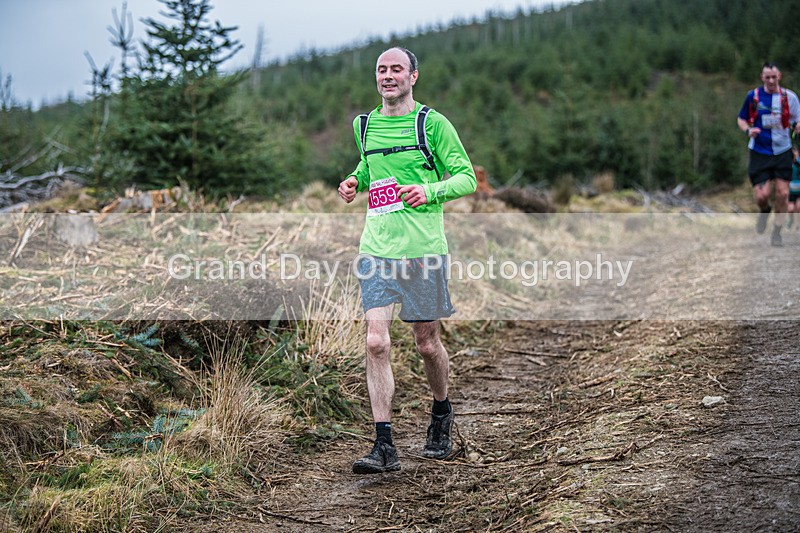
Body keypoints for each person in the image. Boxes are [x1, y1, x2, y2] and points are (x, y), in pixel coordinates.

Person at [338, 47, 476, 474]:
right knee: (376, 341)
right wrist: (354, 181)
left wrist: (430, 192)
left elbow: (466, 176)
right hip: (376, 249)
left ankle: (441, 410)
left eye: (396, 69)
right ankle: (384, 446)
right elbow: (370, 165)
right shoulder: (365, 125)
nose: (387, 75)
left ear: (414, 76)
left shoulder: (431, 124)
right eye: (381, 69)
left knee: (426, 343)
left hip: (423, 251)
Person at [737, 62, 800, 246]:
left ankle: (777, 232)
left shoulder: (790, 98)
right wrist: (748, 130)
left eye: (774, 76)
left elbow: (798, 120)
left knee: (782, 193)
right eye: (767, 77)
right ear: (762, 77)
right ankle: (764, 211)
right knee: (762, 196)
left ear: (779, 76)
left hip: (782, 151)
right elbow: (741, 119)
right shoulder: (754, 97)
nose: (771, 80)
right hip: (759, 151)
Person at [788, 145, 800, 229]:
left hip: (799, 189)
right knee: (791, 209)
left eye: (795, 151)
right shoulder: (788, 163)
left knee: (799, 207)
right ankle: (791, 219)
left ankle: (798, 224)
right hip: (790, 189)